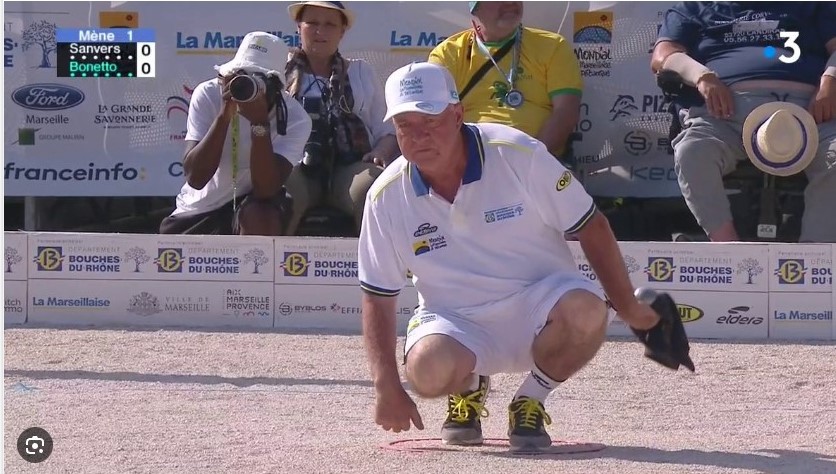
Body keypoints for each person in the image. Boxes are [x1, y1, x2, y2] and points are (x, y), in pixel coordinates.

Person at [358, 62, 659, 451]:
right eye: (405, 125)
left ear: (457, 115)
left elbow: (592, 226)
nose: (418, 136)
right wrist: (386, 386)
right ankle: (468, 385)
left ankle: (531, 398)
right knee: (426, 372)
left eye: (430, 121)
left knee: (587, 311)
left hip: (541, 301)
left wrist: (629, 309)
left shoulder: (518, 153)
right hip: (455, 320)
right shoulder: (384, 195)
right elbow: (377, 295)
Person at [651, 2, 836, 242]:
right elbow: (663, 55)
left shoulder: (813, 5)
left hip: (809, 115)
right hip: (725, 116)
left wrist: (830, 80)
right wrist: (702, 76)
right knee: (692, 151)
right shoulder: (695, 6)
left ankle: (815, 257)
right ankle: (728, 248)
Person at [160, 32, 311, 235]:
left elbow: (265, 189)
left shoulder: (295, 117)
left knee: (262, 217)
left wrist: (259, 125)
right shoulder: (209, 94)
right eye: (242, 75)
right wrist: (224, 116)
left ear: (276, 86)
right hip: (200, 207)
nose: (248, 86)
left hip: (252, 203)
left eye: (260, 79)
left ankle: (258, 258)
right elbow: (196, 178)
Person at [282, 1, 400, 236]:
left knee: (373, 187)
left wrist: (379, 152)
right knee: (281, 193)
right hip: (297, 167)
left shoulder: (360, 72)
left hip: (350, 166)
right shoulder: (279, 71)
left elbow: (386, 130)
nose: (320, 31)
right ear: (298, 26)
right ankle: (271, 259)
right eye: (312, 23)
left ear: (342, 32)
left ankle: (373, 260)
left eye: (330, 25)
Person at [428, 1, 582, 163]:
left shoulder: (552, 46)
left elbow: (565, 112)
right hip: (469, 163)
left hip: (536, 162)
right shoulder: (448, 54)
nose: (510, 2)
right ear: (475, 8)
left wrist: (532, 161)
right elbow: (433, 118)